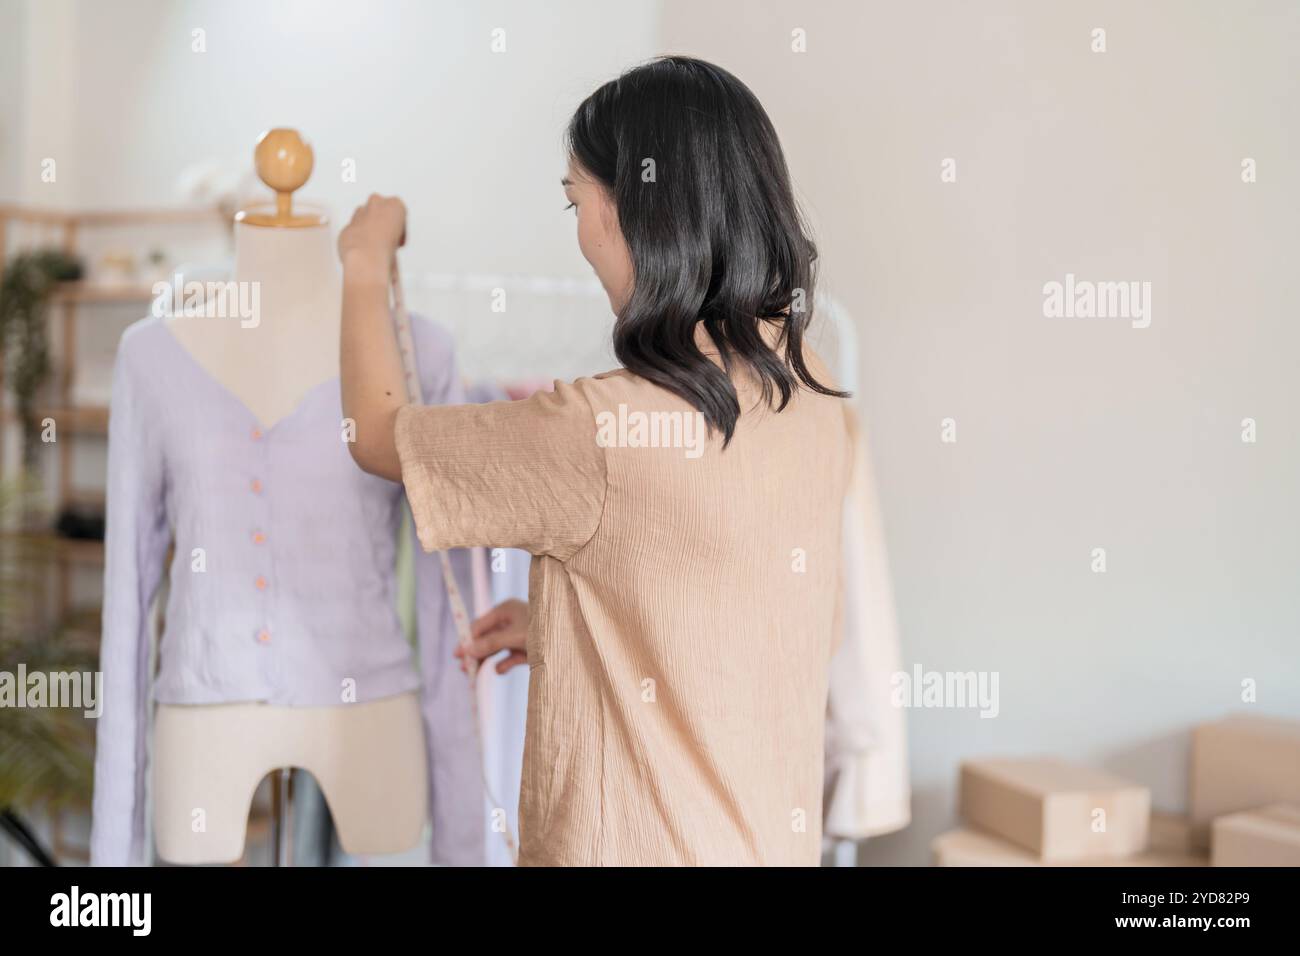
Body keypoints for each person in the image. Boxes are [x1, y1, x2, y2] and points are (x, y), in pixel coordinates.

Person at [337, 56, 852, 866]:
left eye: (576, 200)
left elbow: (373, 434)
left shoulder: (599, 429)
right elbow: (757, 616)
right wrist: (573, 631)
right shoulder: (812, 389)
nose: (578, 229)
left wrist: (364, 263)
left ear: (636, 213)